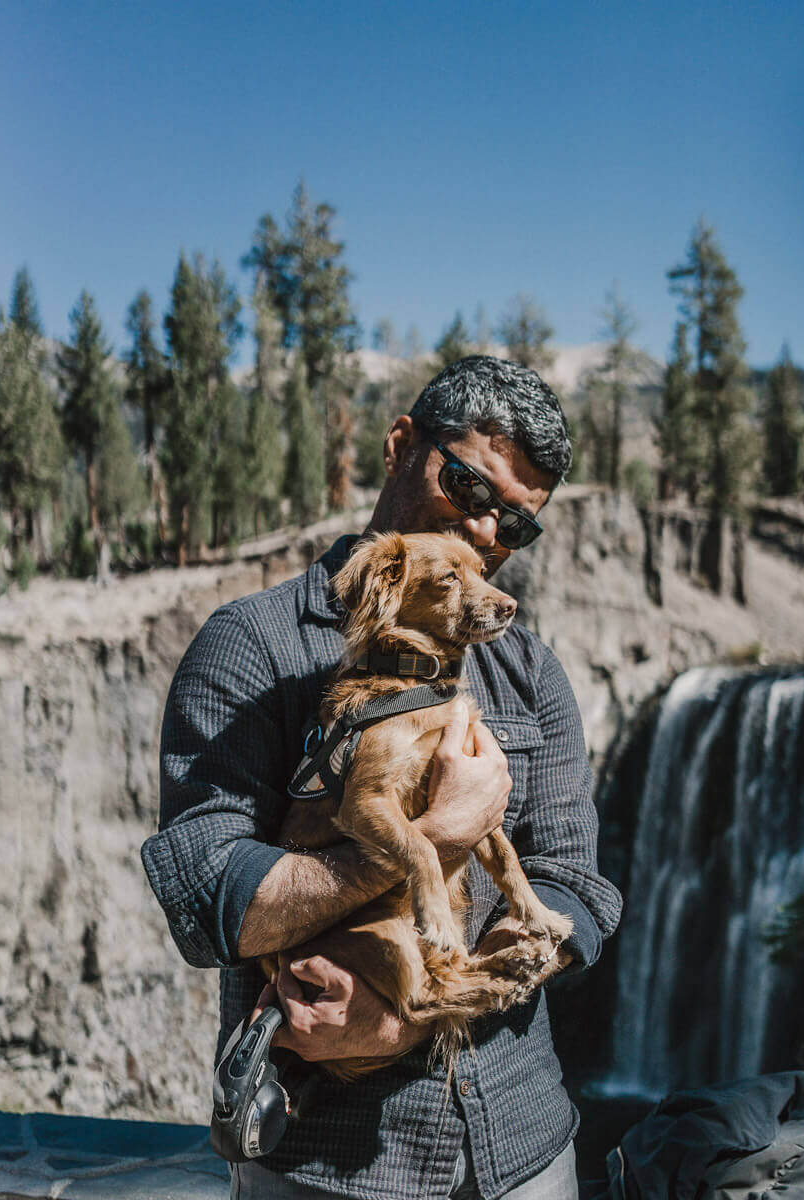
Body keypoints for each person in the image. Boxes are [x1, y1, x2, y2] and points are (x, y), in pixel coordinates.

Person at [142, 355, 622, 1200]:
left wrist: (477, 981)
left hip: (524, 1152)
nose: (484, 533)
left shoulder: (528, 671)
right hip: (329, 1163)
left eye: (515, 524)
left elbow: (575, 879)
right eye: (470, 488)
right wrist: (435, 839)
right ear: (402, 445)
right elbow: (209, 894)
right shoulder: (252, 647)